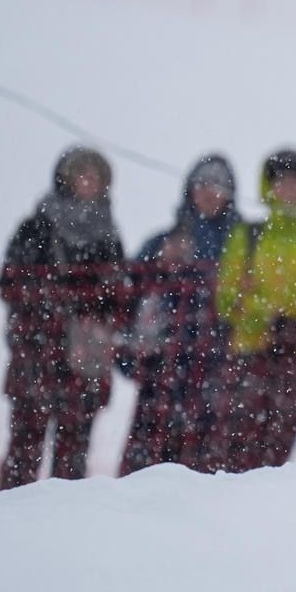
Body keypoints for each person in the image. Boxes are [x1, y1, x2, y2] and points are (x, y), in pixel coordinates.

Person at [213, 149, 296, 471]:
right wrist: (264, 319)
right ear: (269, 187)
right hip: (250, 352)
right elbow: (227, 296)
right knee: (237, 439)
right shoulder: (248, 235)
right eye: (282, 182)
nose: (289, 190)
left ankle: (266, 495)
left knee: (279, 441)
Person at [0, 146, 125, 488]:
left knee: (73, 456)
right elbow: (9, 284)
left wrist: (88, 303)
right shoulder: (36, 227)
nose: (88, 180)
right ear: (65, 179)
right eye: (81, 173)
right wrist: (56, 300)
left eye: (95, 175)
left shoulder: (109, 236)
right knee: (24, 450)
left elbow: (119, 297)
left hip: (82, 361)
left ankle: (66, 517)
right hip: (36, 355)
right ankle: (11, 513)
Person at [119, 154, 240, 474]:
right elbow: (128, 301)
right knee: (147, 458)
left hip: (216, 369)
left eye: (219, 186)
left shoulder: (241, 247)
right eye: (203, 184)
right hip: (162, 368)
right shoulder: (161, 243)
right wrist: (130, 355)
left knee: (204, 462)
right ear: (190, 190)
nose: (210, 193)